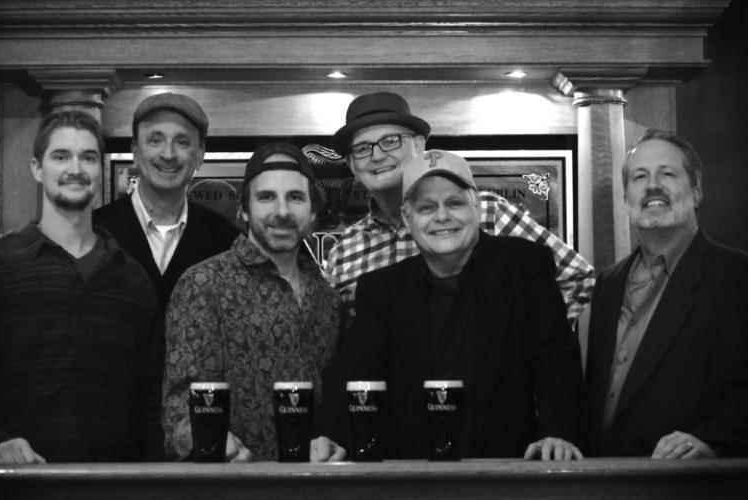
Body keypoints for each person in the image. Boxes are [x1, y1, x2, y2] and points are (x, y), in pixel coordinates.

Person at [312, 150, 585, 461]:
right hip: (414, 474)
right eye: (426, 207)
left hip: (506, 469)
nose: (442, 216)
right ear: (407, 218)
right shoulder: (382, 289)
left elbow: (555, 358)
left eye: (454, 203)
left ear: (476, 206)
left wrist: (559, 432)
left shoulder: (525, 265)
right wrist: (331, 435)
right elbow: (355, 370)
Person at [0, 111, 164, 463]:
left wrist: (153, 480)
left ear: (100, 169)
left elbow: (152, 403)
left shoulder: (134, 280)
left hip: (118, 483)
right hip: (18, 482)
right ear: (37, 168)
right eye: (61, 156)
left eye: (88, 158)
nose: (75, 169)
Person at [326, 91, 595, 323]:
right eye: (362, 148)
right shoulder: (345, 250)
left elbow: (576, 277)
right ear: (351, 165)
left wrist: (524, 343)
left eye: (390, 141)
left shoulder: (487, 213)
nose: (376, 155)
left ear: (419, 145)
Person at [162, 142, 341, 462]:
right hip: (233, 482)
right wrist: (208, 440)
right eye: (266, 197)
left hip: (311, 481)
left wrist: (333, 443)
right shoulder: (205, 283)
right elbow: (178, 409)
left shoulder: (326, 296)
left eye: (295, 197)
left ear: (313, 211)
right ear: (244, 209)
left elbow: (331, 403)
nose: (282, 211)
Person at [585, 129, 748, 458]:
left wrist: (713, 441)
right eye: (639, 177)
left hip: (689, 478)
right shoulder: (607, 284)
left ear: (696, 192)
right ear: (626, 198)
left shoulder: (736, 277)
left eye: (667, 174)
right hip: (605, 476)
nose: (652, 186)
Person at [94, 92, 240, 308]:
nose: (168, 154)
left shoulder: (226, 240)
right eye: (155, 140)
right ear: (135, 150)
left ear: (200, 154)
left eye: (182, 142)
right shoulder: (94, 232)